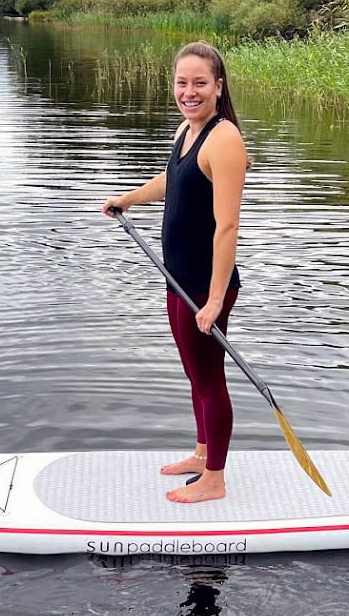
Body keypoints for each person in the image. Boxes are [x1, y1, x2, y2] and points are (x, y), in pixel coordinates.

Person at [102, 41, 248, 505]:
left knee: (209, 379)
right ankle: (203, 453)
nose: (189, 91)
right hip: (179, 279)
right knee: (194, 373)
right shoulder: (187, 130)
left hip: (206, 286)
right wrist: (128, 199)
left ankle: (215, 478)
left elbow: (227, 228)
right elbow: (172, 180)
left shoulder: (224, 139)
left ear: (218, 86)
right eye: (182, 83)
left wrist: (214, 299)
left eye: (200, 83)